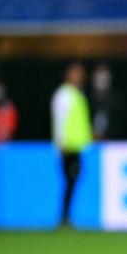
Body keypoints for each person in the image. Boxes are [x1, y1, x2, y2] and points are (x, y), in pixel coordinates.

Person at [51, 63, 93, 227]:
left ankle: (66, 216)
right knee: (69, 180)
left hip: (77, 146)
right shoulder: (64, 95)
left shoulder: (77, 94)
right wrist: (60, 143)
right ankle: (64, 216)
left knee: (73, 181)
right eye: (76, 73)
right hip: (67, 147)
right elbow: (59, 120)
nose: (79, 76)